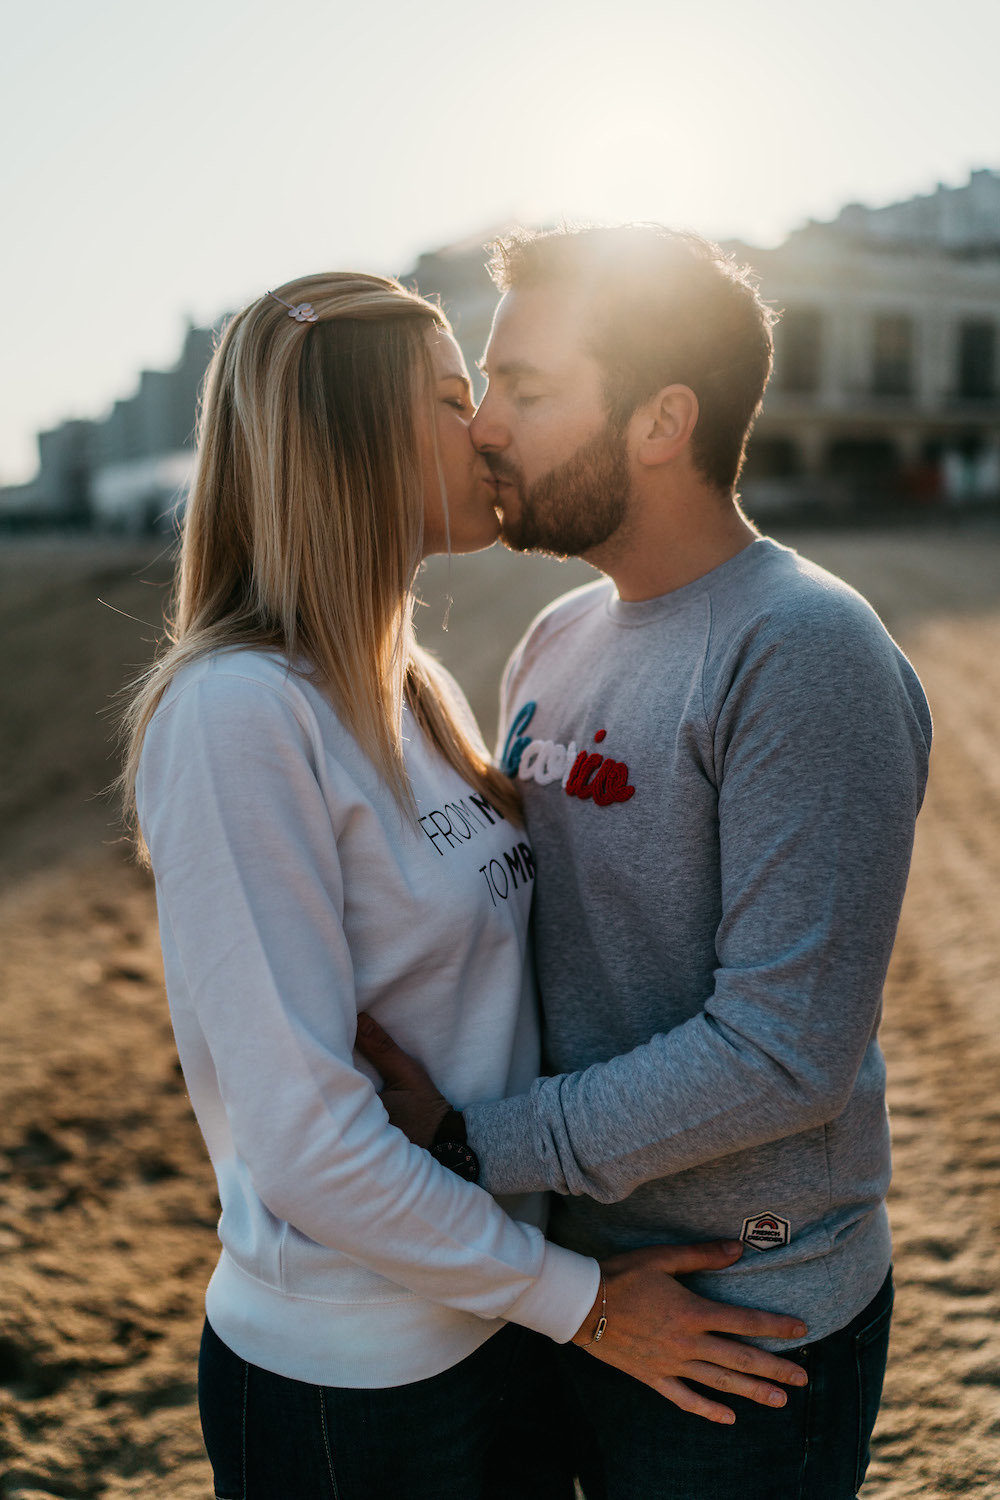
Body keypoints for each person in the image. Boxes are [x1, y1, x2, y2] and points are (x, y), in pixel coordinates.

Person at [119, 271, 810, 1500]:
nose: (487, 424)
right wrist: (587, 1308)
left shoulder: (410, 690)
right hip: (359, 1386)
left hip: (499, 1332)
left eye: (490, 390)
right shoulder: (236, 715)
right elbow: (305, 1144)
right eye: (452, 397)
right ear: (352, 445)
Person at [355, 227, 934, 1499]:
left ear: (662, 419)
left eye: (528, 388)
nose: (485, 426)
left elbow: (785, 1049)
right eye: (485, 386)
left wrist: (467, 1145)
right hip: (567, 1286)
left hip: (742, 1310)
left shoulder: (804, 653)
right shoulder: (557, 639)